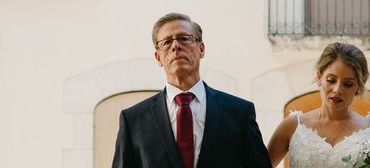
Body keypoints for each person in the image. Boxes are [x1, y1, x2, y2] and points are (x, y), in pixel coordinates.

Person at [112, 12, 272, 168]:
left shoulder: (239, 113)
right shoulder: (133, 120)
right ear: (158, 57)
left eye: (184, 38)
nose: (175, 46)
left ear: (201, 49)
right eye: (166, 42)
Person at [267, 42, 370, 168]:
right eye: (331, 80)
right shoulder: (292, 126)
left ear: (359, 85)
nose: (337, 90)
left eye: (348, 84)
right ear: (319, 77)